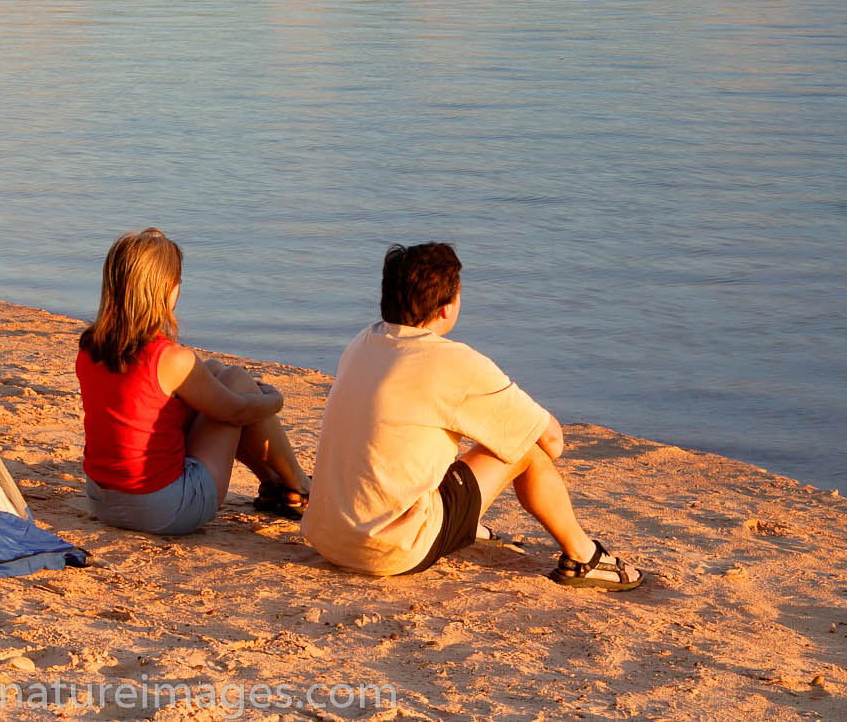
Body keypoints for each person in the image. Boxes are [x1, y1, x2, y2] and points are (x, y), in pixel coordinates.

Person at [301, 241, 642, 590]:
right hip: (389, 550)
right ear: (446, 308)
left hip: (327, 536)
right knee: (527, 447)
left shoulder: (363, 342)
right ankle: (583, 556)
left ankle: (464, 522)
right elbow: (552, 441)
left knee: (430, 432)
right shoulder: (454, 363)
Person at [75, 228, 309, 535]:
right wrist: (274, 400)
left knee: (212, 371)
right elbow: (235, 411)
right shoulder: (169, 358)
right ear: (164, 291)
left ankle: (276, 485)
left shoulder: (90, 346)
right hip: (163, 509)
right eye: (177, 284)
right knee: (236, 381)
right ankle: (300, 485)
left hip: (103, 500)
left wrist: (211, 375)